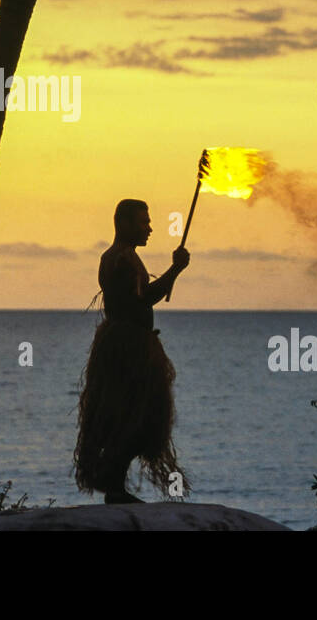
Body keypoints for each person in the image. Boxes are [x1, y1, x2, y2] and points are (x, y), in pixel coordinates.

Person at [74, 198, 190, 504]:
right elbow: (142, 300)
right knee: (130, 417)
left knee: (136, 418)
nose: (150, 228)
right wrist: (175, 269)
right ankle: (113, 487)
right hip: (127, 352)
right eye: (143, 222)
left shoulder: (124, 257)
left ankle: (114, 484)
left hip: (130, 347)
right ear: (123, 224)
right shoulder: (120, 260)